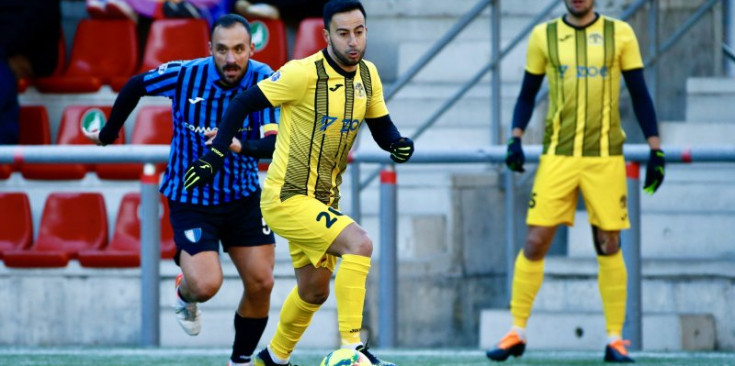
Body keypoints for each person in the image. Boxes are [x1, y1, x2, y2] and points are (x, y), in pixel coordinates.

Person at [183, 1, 414, 365]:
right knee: (359, 244)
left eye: (359, 31)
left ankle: (272, 358)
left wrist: (398, 143)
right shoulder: (302, 73)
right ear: (326, 36)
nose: (352, 41)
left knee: (314, 291)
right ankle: (352, 348)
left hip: (323, 201)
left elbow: (382, 127)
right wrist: (215, 155)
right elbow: (242, 102)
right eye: (343, 33)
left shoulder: (368, 75)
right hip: (287, 197)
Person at [83, 14, 279, 366]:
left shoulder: (265, 79)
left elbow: (273, 145)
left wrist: (236, 145)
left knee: (262, 283)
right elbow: (134, 86)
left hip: (244, 196)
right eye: (222, 50)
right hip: (192, 197)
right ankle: (184, 289)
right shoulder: (186, 74)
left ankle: (240, 361)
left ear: (252, 48)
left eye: (238, 49)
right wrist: (110, 134)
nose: (230, 59)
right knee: (205, 286)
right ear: (210, 50)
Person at [485, 0, 665, 363]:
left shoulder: (620, 33)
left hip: (605, 158)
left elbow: (640, 93)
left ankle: (615, 338)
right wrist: (514, 137)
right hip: (558, 157)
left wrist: (655, 149)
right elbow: (526, 93)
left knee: (609, 242)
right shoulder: (544, 36)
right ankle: (516, 331)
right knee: (535, 241)